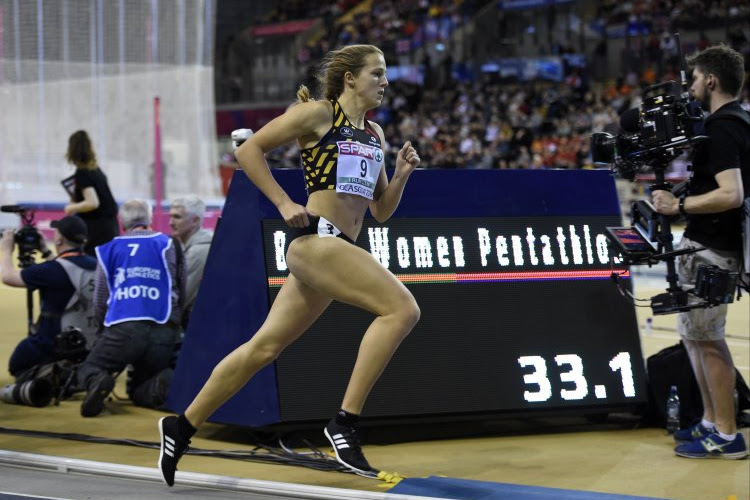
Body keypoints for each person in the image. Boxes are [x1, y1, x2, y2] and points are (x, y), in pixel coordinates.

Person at [157, 44, 421, 486]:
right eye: (377, 73)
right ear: (350, 78)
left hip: (337, 248)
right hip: (314, 241)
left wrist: (400, 176)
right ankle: (344, 423)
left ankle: (181, 426)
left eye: (385, 74)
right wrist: (283, 202)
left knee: (264, 348)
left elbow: (379, 211)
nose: (385, 82)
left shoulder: (374, 134)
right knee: (402, 310)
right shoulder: (319, 114)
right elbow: (248, 151)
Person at [651, 44, 749, 460]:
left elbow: (731, 194)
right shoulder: (735, 122)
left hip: (713, 248)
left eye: (693, 78)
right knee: (695, 338)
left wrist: (680, 206)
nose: (689, 87)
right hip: (708, 245)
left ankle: (727, 435)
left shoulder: (725, 126)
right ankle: (711, 422)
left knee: (708, 341)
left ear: (711, 80)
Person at [76, 199, 185, 417]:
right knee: (140, 386)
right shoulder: (170, 244)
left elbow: (100, 297)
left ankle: (97, 379)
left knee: (89, 368)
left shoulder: (109, 249)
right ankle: (159, 384)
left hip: (123, 326)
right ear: (150, 218)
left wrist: (102, 330)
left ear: (121, 221)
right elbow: (181, 287)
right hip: (164, 326)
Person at [0, 216, 97, 378]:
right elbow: (68, 268)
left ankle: (54, 376)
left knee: (17, 363)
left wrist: (6, 249)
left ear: (59, 239)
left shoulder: (50, 271)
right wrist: (45, 250)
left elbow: (8, 277)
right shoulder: (97, 265)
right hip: (90, 345)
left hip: (56, 343)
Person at [63, 130, 120, 256]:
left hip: (97, 230)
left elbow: (93, 203)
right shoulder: (96, 170)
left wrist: (71, 207)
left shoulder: (82, 173)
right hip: (110, 226)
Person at [168, 195, 213, 326]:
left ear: (195, 220)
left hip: (199, 325)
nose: (170, 222)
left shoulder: (198, 251)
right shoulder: (185, 246)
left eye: (177, 217)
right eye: (171, 216)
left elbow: (183, 298)